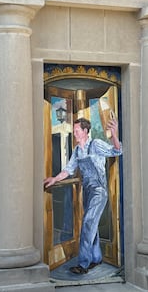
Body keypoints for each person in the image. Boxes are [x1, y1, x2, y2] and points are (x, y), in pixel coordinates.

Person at [44, 117, 122, 275]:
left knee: (87, 223)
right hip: (87, 191)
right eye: (74, 131)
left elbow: (117, 151)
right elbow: (68, 169)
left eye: (77, 131)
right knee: (91, 225)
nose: (75, 134)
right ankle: (96, 257)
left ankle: (83, 264)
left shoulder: (96, 144)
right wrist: (54, 179)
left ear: (86, 131)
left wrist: (114, 134)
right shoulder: (77, 151)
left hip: (99, 191)